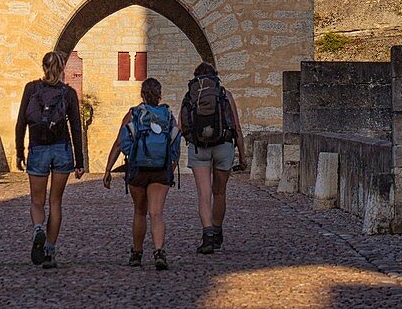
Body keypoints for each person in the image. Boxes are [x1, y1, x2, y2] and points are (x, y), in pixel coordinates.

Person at [103, 77, 181, 271]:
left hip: (138, 169)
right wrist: (170, 168)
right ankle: (159, 252)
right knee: (156, 213)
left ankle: (137, 253)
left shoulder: (133, 114)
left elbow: (120, 143)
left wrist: (108, 169)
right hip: (160, 170)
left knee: (139, 212)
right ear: (159, 94)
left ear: (142, 94)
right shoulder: (168, 115)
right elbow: (175, 144)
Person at [15, 50, 84, 270]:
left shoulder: (31, 88)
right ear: (63, 69)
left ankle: (37, 229)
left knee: (37, 201)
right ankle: (50, 252)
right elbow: (75, 127)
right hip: (62, 150)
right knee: (56, 202)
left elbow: (20, 123)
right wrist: (79, 161)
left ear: (43, 67)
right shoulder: (69, 93)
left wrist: (19, 152)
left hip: (38, 149)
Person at [180, 61, 247, 254]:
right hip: (223, 145)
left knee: (204, 194)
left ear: (196, 76)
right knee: (219, 192)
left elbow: (182, 124)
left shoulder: (191, 95)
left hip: (199, 148)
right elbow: (237, 127)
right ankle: (217, 232)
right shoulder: (224, 94)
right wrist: (242, 156)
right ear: (215, 75)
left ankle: (207, 236)